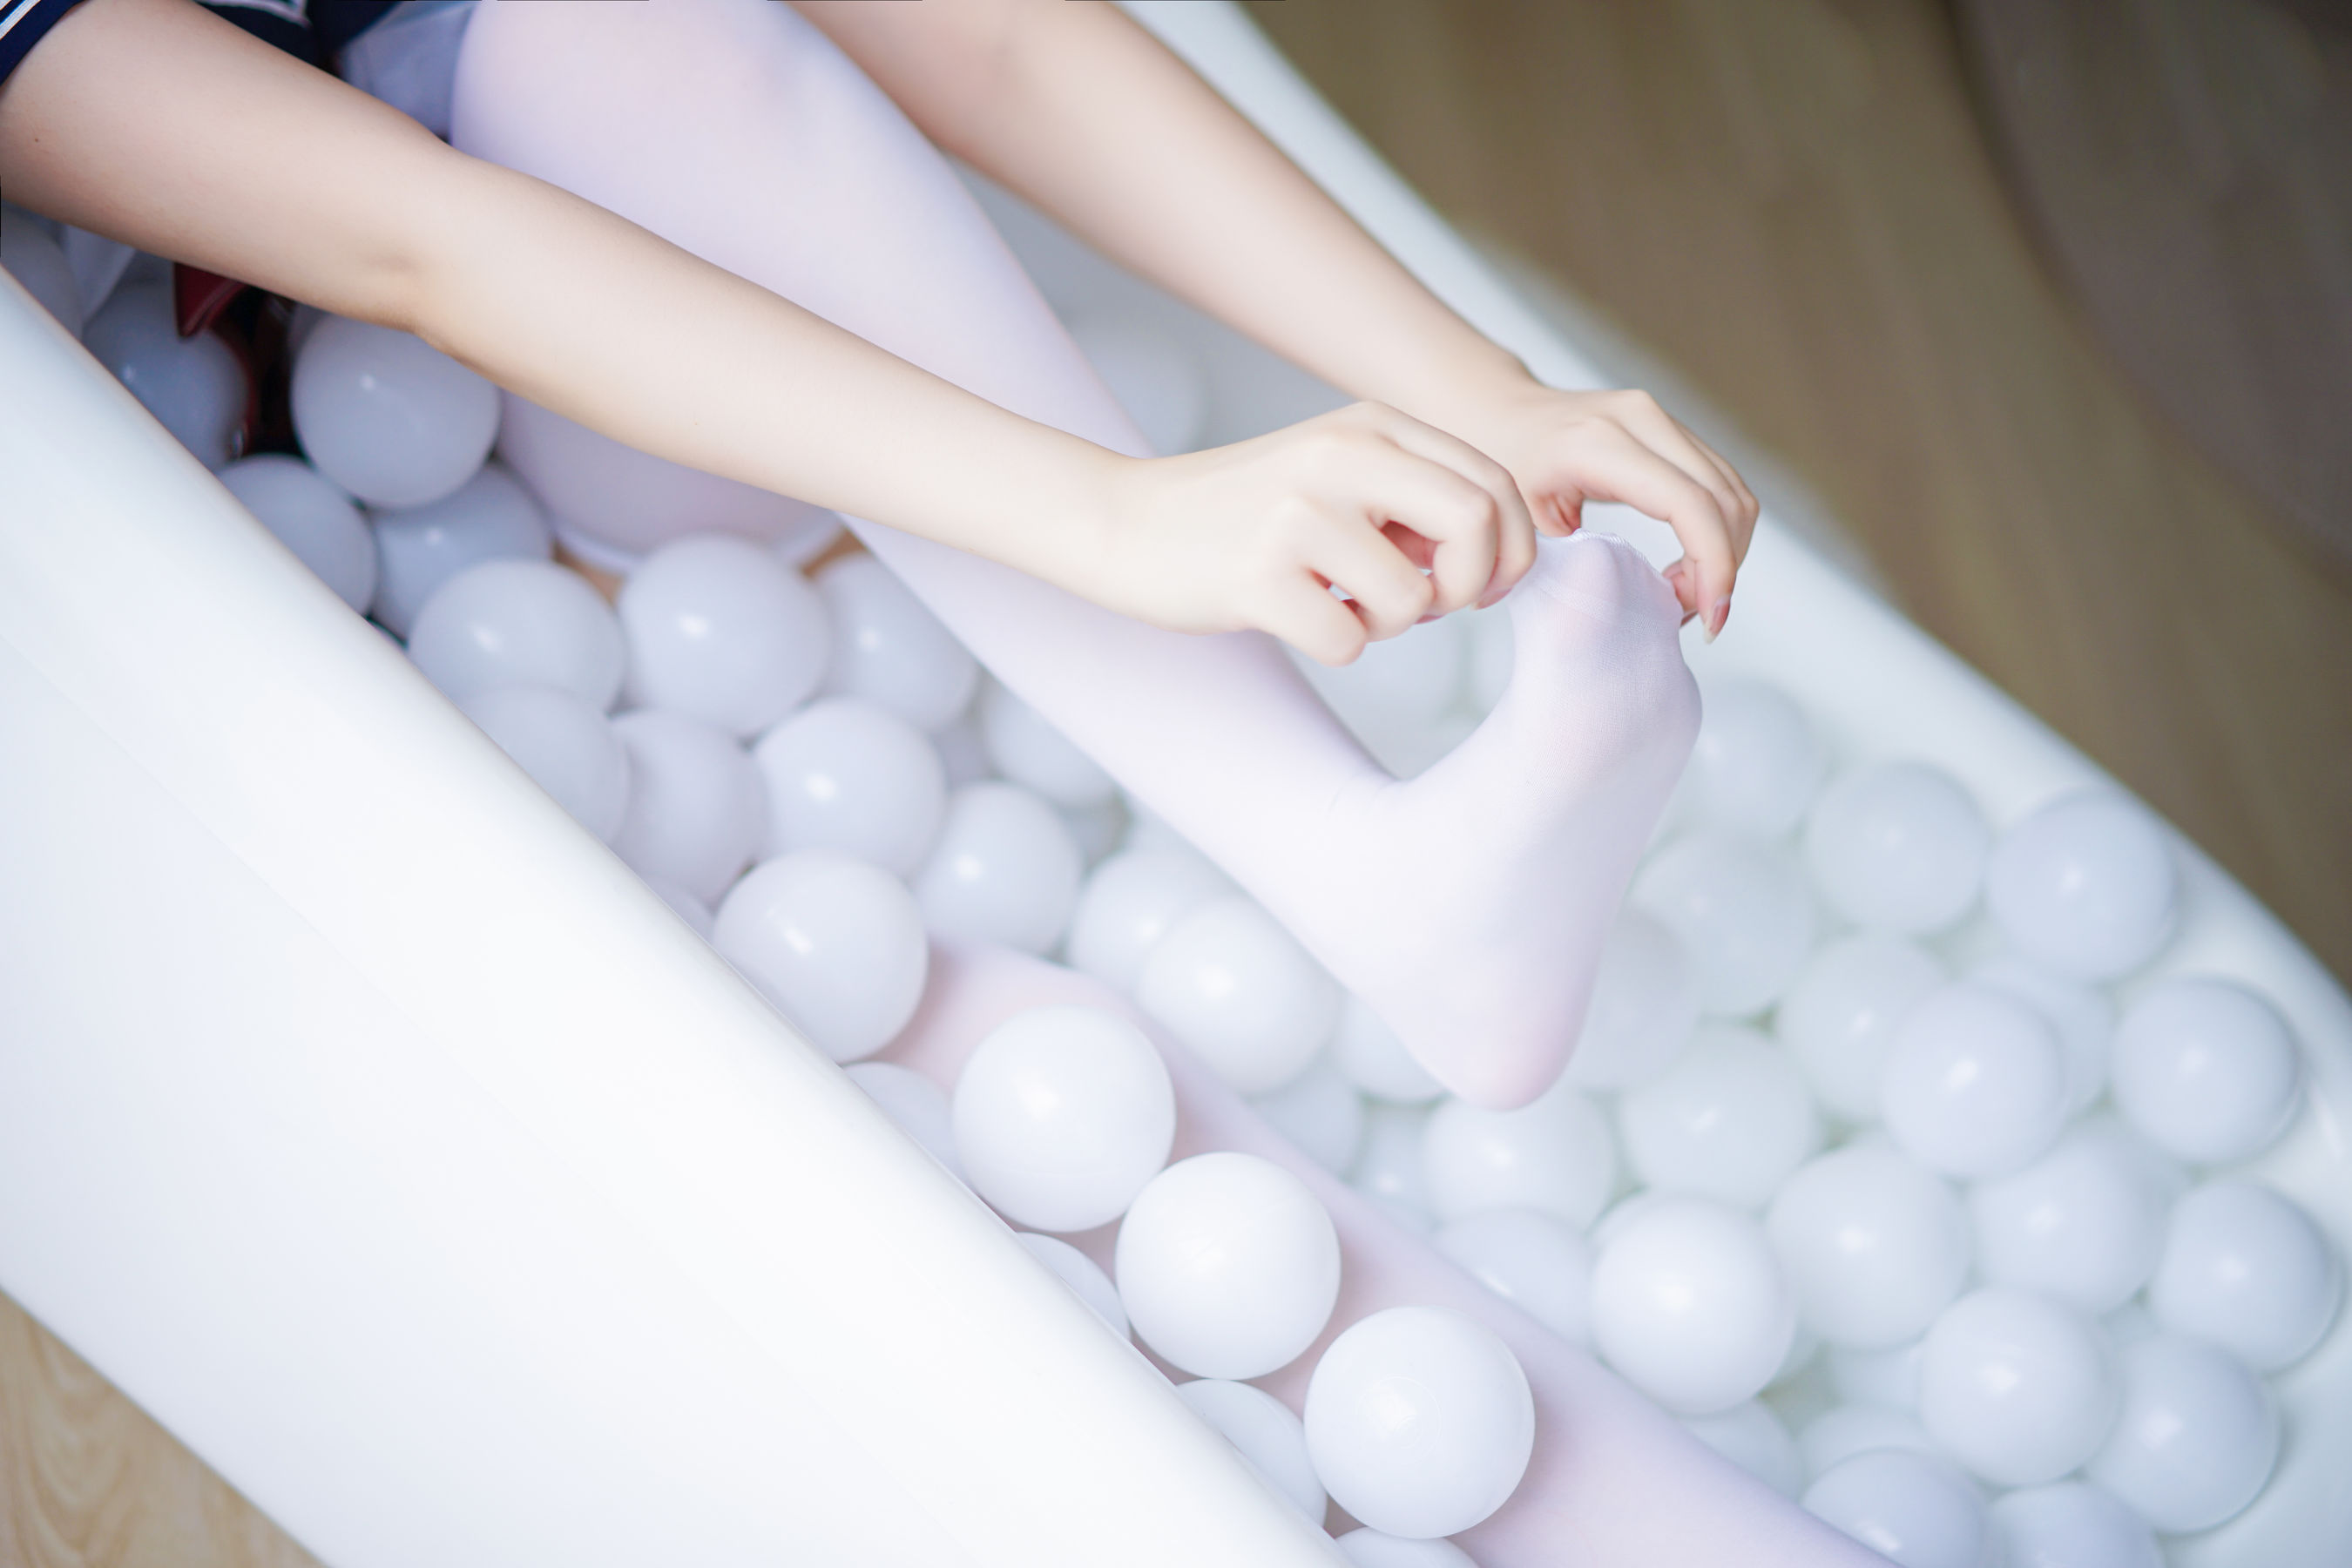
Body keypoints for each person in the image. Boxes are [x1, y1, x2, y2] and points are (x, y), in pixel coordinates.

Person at [0, 0, 1754, 1105]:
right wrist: (1118, 517)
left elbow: (994, 44)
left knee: (616, 36)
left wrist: (1482, 387)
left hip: (651, 442)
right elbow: (419, 248)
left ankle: (1374, 877)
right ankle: (1367, 876)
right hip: (295, 562)